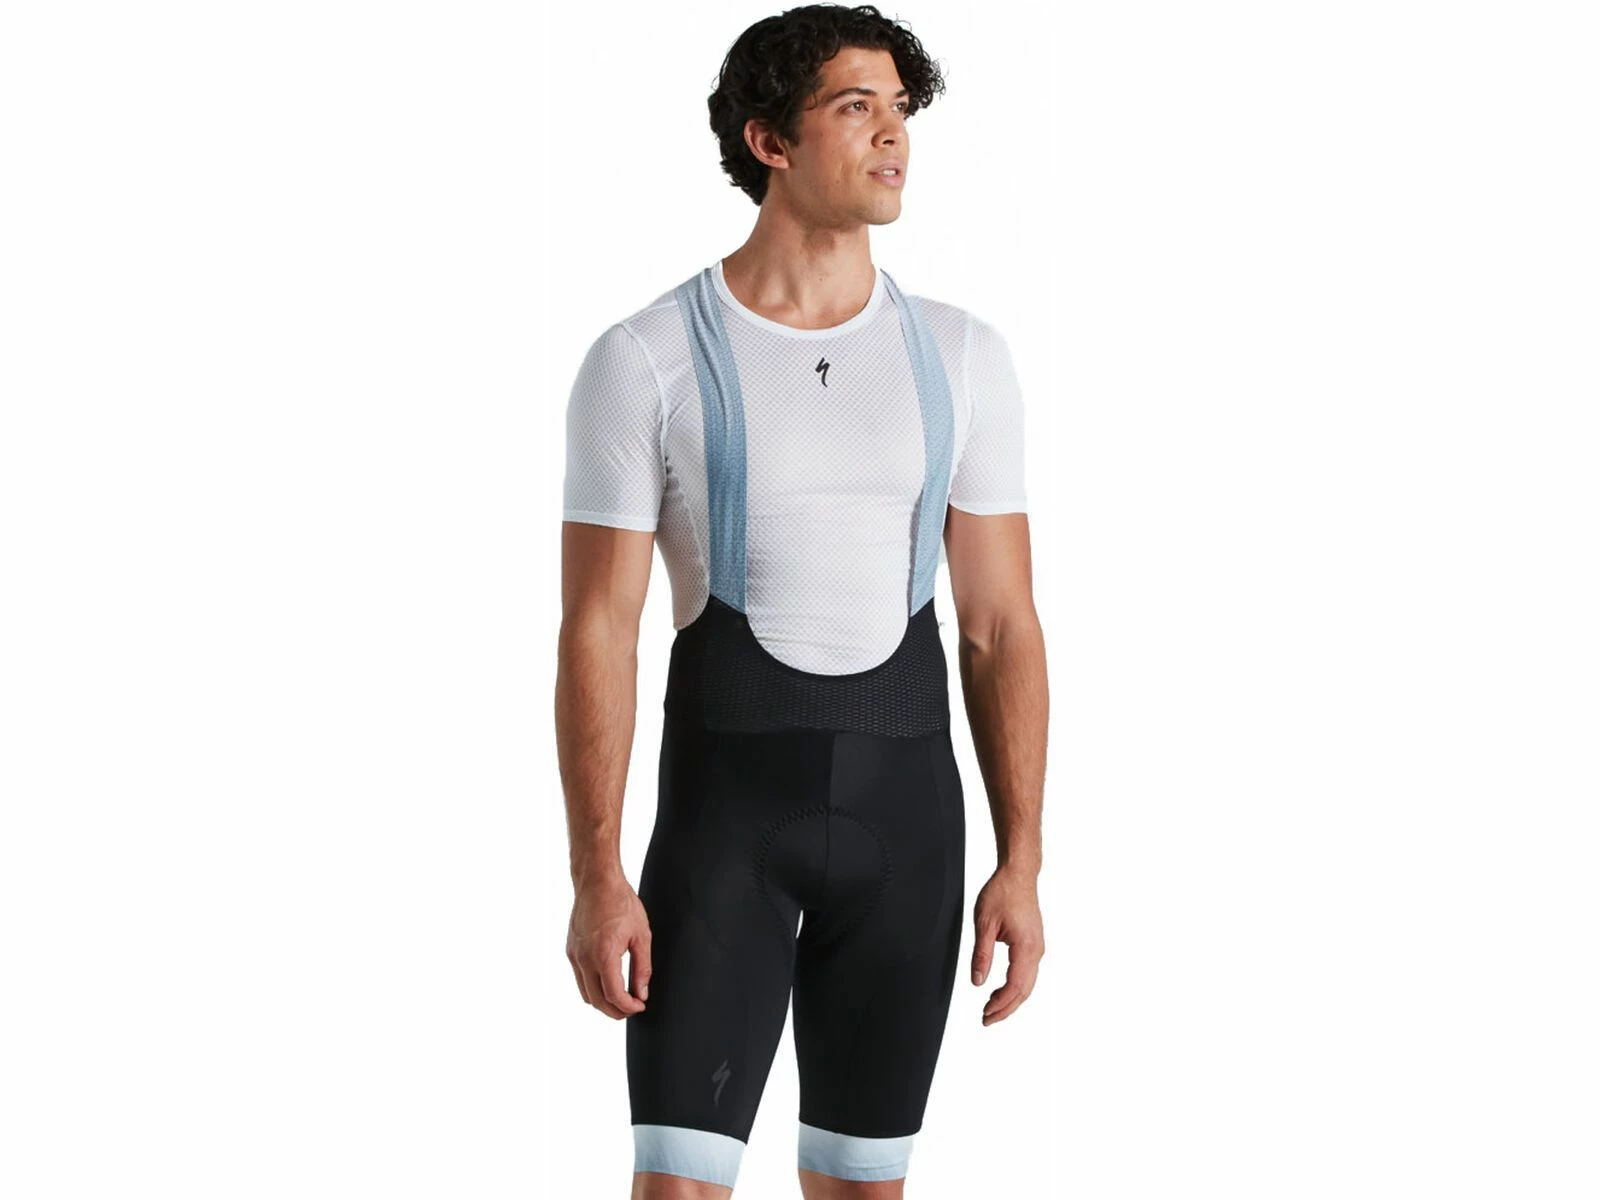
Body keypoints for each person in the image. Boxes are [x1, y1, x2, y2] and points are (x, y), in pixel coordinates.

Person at [555, 6, 1048, 1196]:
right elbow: (597, 631)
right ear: (769, 141)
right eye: (855, 108)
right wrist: (596, 873)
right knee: (677, 1183)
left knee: (865, 1187)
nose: (893, 136)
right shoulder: (648, 356)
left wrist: (1022, 860)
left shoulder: (961, 355)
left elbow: (999, 627)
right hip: (721, 836)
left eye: (900, 110)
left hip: (908, 834)